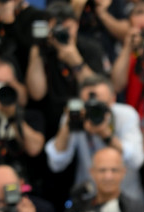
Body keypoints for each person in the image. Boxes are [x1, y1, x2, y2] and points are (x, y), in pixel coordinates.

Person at [45, 74, 144, 204]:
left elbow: (137, 160)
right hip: (89, 197)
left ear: (113, 99)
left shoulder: (126, 115)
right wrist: (67, 126)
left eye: (100, 105)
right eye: (88, 105)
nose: (94, 110)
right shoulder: (75, 118)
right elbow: (56, 163)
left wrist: (106, 135)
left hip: (127, 198)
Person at [25, 2, 107, 140]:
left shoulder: (91, 48)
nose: (62, 33)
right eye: (56, 29)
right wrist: (36, 54)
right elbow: (36, 93)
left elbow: (100, 93)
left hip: (88, 121)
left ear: (76, 24)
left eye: (67, 28)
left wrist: (76, 62)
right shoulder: (42, 50)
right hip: (52, 125)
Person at [0, 58, 45, 189]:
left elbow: (34, 149)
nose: (0, 89)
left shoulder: (31, 116)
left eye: (6, 84)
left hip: (24, 187)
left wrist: (12, 117)